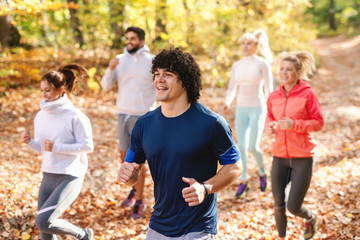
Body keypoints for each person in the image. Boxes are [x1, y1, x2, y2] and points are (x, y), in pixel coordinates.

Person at [117, 47, 242, 239]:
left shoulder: (212, 123)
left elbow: (234, 166)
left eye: (168, 74)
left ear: (185, 81)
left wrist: (206, 188)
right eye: (157, 74)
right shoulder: (144, 124)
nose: (160, 79)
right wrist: (128, 176)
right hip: (159, 223)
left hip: (198, 226)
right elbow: (133, 171)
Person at [21, 64, 94, 240]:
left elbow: (87, 146)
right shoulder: (41, 115)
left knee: (43, 221)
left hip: (69, 175)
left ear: (60, 89)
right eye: (41, 91)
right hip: (48, 175)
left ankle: (83, 235)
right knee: (45, 232)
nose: (44, 94)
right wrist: (30, 142)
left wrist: (57, 147)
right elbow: (43, 150)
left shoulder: (76, 116)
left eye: (48, 90)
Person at [265, 51, 324, 240]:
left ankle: (311, 217)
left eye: (289, 69)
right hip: (279, 155)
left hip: (302, 157)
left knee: (293, 206)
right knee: (278, 204)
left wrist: (295, 125)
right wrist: (270, 127)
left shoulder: (308, 94)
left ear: (298, 72)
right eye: (281, 69)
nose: (284, 72)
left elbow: (318, 122)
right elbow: (270, 117)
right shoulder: (274, 96)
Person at [101, 26, 155, 218]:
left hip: (143, 116)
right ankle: (134, 189)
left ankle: (140, 199)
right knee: (124, 160)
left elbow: (162, 85)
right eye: (127, 38)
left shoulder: (152, 61)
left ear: (141, 41)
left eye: (133, 39)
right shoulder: (119, 60)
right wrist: (110, 68)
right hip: (122, 113)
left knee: (137, 162)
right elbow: (105, 86)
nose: (128, 42)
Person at [223, 29, 273, 198]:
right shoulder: (236, 65)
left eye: (249, 43)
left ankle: (262, 171)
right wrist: (227, 101)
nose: (245, 47)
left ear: (256, 46)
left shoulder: (262, 64)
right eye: (243, 43)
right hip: (241, 109)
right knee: (241, 147)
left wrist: (272, 109)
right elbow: (232, 87)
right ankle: (243, 181)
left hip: (258, 107)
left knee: (253, 146)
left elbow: (269, 89)